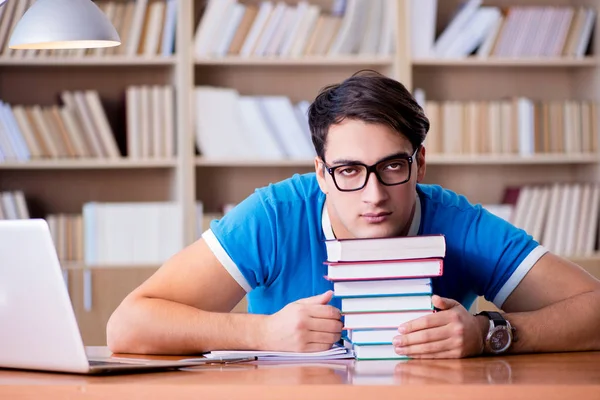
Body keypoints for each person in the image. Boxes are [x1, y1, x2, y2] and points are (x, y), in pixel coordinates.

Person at [107, 71, 600, 359]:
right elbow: (128, 325)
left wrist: (492, 333)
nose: (373, 195)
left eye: (391, 166)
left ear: (419, 163)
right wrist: (262, 333)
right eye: (347, 170)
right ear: (320, 172)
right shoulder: (276, 215)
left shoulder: (459, 223)